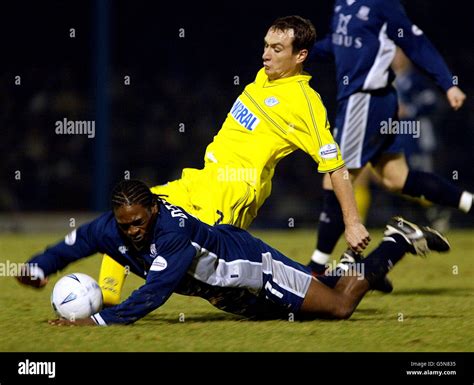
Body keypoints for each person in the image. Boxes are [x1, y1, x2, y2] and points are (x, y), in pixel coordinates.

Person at [99, 15, 371, 306]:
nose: (266, 54)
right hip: (201, 179)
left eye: (277, 49)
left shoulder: (305, 104)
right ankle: (105, 300)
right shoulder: (264, 77)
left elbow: (337, 167)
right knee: (128, 218)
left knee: (192, 267)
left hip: (231, 194)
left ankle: (344, 279)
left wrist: (352, 223)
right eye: (266, 46)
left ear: (300, 55)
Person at [16, 180, 450, 326]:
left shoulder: (172, 233)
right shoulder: (109, 227)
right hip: (227, 293)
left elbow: (156, 291)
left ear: (152, 208)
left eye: (138, 221)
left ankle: (394, 242)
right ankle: (376, 259)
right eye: (124, 223)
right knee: (317, 295)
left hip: (252, 268)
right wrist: (39, 266)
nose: (131, 230)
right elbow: (73, 244)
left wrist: (98, 321)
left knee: (336, 307)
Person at [307, 0, 471, 275]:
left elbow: (416, 41)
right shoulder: (341, 5)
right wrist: (301, 51)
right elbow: (336, 45)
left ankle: (316, 267)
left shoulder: (381, 4)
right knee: (396, 178)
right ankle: (468, 201)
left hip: (365, 100)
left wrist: (447, 84)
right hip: (369, 101)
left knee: (335, 173)